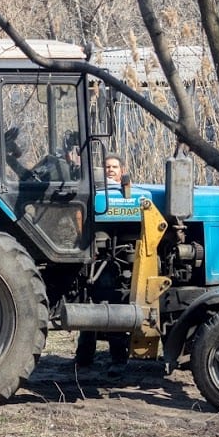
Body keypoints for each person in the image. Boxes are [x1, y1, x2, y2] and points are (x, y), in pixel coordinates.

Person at [77, 154, 131, 377]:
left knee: (113, 299)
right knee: (94, 300)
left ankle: (118, 359)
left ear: (122, 171)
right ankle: (84, 359)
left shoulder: (125, 194)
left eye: (114, 167)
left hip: (113, 259)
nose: (110, 170)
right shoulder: (95, 191)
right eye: (107, 167)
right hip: (97, 258)